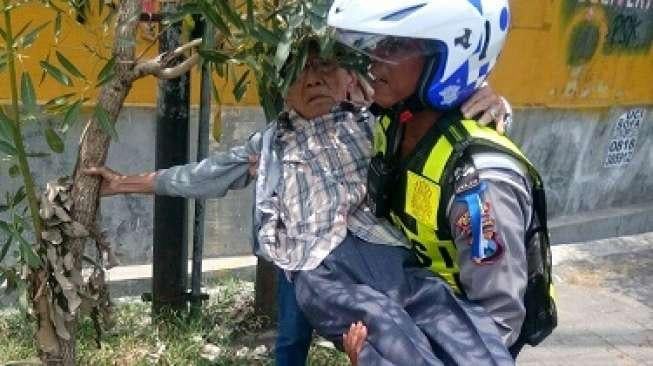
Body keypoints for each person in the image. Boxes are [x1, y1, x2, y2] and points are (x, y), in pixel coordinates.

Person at [85, 45, 513, 366]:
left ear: (348, 75)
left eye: (324, 68)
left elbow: (436, 116)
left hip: (377, 252)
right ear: (280, 89)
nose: (312, 81)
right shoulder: (270, 144)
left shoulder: (372, 121)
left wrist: (490, 100)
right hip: (308, 265)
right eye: (299, 72)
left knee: (441, 311)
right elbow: (203, 174)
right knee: (307, 337)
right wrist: (124, 184)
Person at [328, 0, 557, 361]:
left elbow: (497, 324)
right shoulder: (390, 125)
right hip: (406, 311)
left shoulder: (479, 181)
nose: (374, 60)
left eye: (396, 45)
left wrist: (397, 354)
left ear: (449, 57)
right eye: (377, 44)